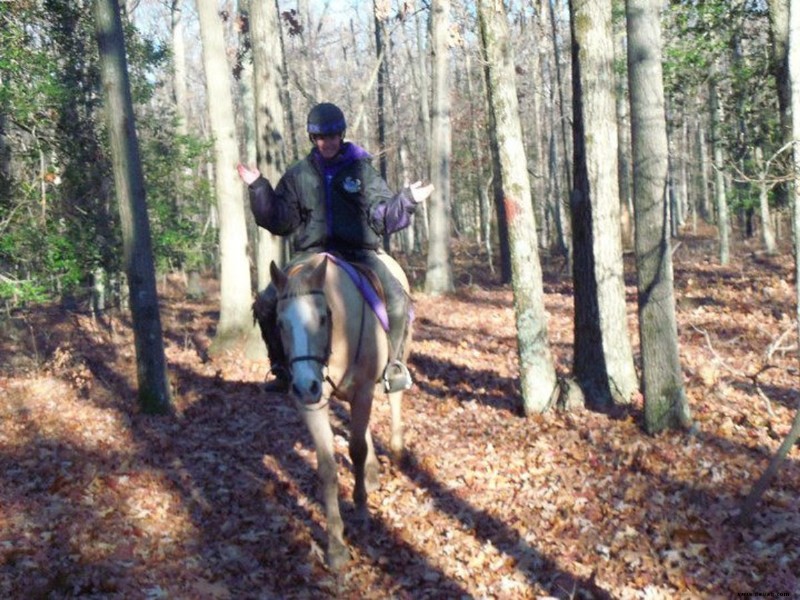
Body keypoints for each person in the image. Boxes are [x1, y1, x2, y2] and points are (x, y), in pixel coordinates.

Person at [237, 102, 433, 393]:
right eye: (319, 137)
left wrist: (405, 201)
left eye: (331, 137)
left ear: (341, 135)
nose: (325, 143)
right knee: (266, 303)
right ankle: (281, 367)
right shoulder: (299, 175)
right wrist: (259, 189)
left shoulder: (361, 171)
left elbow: (381, 214)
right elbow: (280, 219)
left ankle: (394, 366)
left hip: (359, 252)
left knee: (396, 299)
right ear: (312, 139)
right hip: (311, 252)